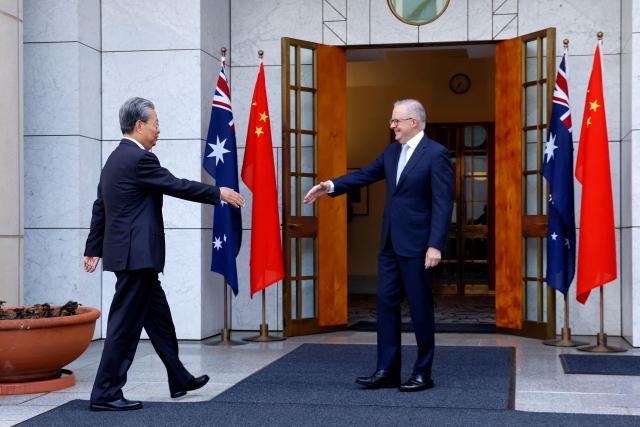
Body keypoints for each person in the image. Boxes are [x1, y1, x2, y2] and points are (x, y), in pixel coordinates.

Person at [83, 97, 245, 411]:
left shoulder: (114, 159)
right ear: (139, 124)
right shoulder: (140, 159)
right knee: (124, 326)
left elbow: (100, 206)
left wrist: (93, 248)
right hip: (138, 256)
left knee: (158, 320)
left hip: (131, 256)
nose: (159, 130)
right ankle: (105, 393)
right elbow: (175, 185)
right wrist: (218, 192)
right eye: (155, 123)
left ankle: (179, 377)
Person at [304, 99, 453, 392]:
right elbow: (365, 175)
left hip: (419, 246)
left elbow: (443, 203)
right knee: (385, 305)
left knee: (420, 308)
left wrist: (435, 245)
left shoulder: (436, 154)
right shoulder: (391, 151)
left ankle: (423, 372)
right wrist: (330, 186)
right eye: (391, 121)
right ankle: (387, 370)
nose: (392, 126)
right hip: (389, 244)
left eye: (396, 121)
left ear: (414, 122)